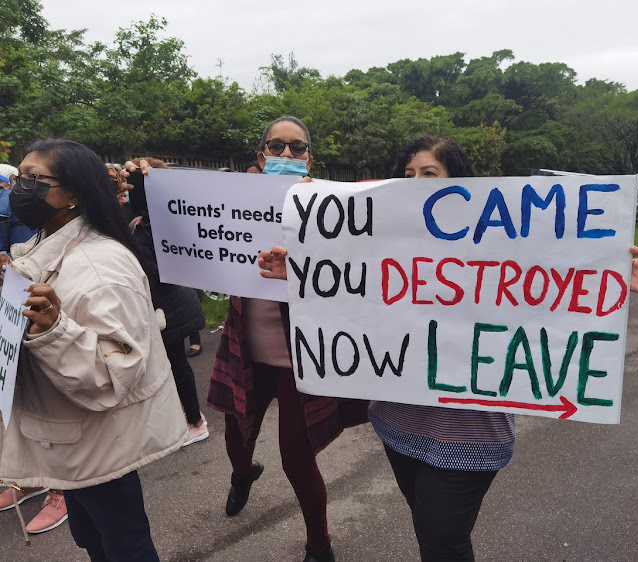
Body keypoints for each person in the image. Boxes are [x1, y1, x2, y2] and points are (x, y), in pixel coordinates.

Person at [259, 135, 638, 562]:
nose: (416, 183)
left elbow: (552, 280)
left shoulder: (498, 243)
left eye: (430, 173)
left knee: (442, 542)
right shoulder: (379, 246)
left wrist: (615, 274)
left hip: (470, 434)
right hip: (398, 425)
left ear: (460, 184)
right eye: (408, 174)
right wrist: (300, 269)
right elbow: (344, 286)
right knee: (430, 531)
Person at [0, 138, 187, 560]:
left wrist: (53, 328)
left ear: (74, 194)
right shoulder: (37, 246)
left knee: (124, 544)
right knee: (91, 536)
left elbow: (111, 374)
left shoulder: (102, 266)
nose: (20, 187)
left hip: (97, 441)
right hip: (67, 440)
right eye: (19, 175)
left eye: (35, 179)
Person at [207, 117, 367, 562]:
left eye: (298, 148)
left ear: (310, 159)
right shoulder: (229, 206)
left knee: (297, 456)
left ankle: (319, 544)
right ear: (261, 156)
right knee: (236, 435)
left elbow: (356, 274)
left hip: (300, 356)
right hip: (246, 347)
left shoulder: (334, 209)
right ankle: (243, 473)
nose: (287, 155)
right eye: (276, 147)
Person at [124, 156, 209, 446]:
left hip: (169, 305)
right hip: (158, 304)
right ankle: (181, 418)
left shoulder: (169, 220)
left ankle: (195, 421)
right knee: (166, 365)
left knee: (176, 363)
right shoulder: (138, 219)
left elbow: (168, 271)